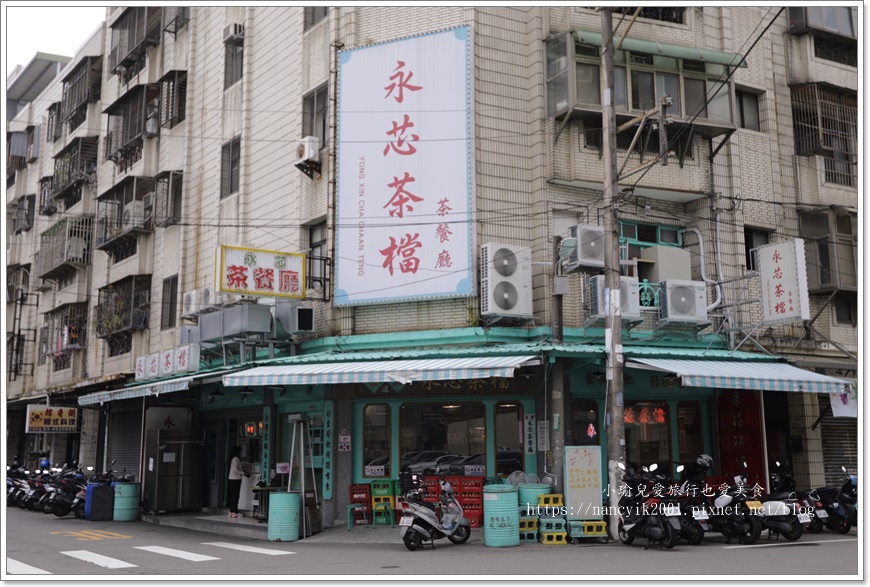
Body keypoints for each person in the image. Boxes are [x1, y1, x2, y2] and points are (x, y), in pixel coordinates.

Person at [227, 447, 245, 518]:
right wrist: (243, 472)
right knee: (235, 496)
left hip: (232, 479)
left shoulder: (233, 458)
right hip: (235, 479)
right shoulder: (235, 459)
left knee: (232, 496)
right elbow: (235, 469)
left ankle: (232, 511)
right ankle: (235, 512)